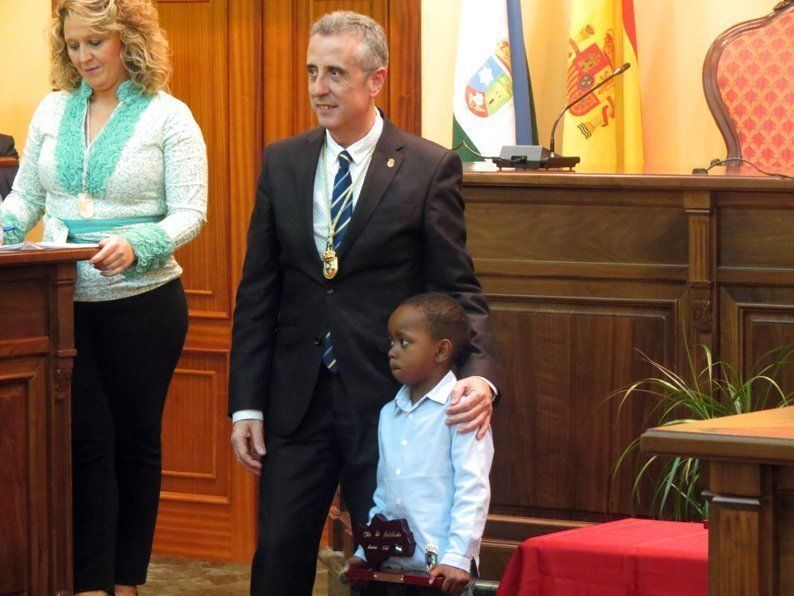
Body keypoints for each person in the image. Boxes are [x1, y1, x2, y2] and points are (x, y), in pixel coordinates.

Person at [229, 11, 500, 596]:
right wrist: (246, 404)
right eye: (311, 72)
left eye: (334, 73)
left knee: (385, 567)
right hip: (295, 398)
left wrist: (479, 377)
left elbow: (457, 288)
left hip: (387, 401)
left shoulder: (428, 168)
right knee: (277, 554)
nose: (318, 88)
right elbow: (258, 291)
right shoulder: (283, 162)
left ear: (375, 80)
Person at [0, 0, 207, 594]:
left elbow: (191, 211)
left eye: (96, 42)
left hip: (144, 303)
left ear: (129, 40)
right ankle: (90, 581)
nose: (84, 56)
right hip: (59, 306)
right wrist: (4, 227)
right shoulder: (52, 109)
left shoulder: (171, 117)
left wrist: (140, 241)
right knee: (84, 441)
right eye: (73, 45)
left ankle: (128, 579)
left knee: (135, 440)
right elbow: (25, 201)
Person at [345, 293, 493, 596]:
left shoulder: (462, 409)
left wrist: (459, 558)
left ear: (440, 351)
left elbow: (472, 488)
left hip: (441, 570)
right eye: (391, 342)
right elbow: (385, 495)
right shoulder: (390, 413)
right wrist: (366, 551)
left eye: (404, 342)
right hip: (394, 570)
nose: (392, 352)